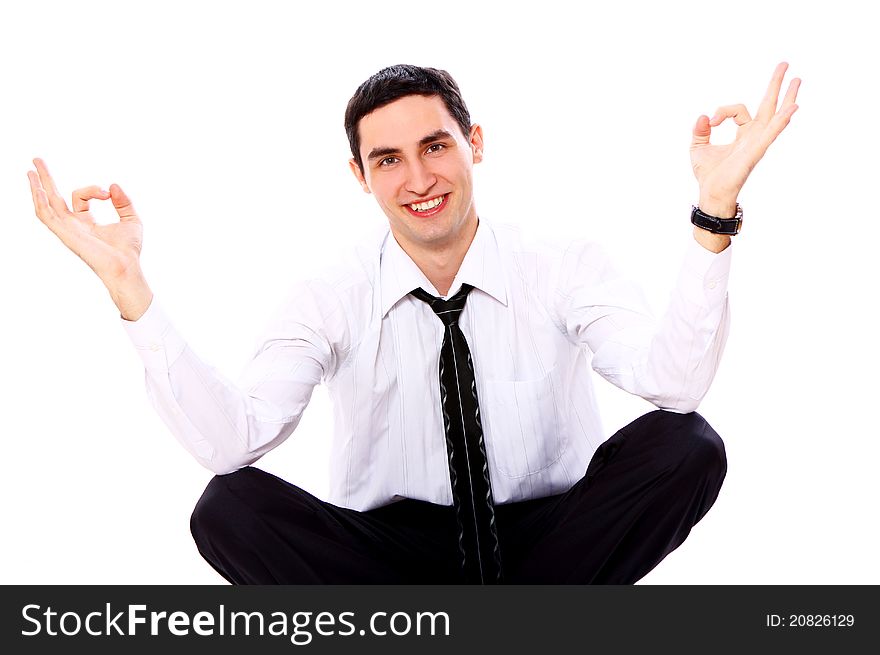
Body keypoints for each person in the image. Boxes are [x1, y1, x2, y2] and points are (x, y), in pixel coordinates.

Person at [27, 62, 800, 584]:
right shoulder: (329, 293)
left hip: (553, 543)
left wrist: (715, 211)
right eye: (389, 159)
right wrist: (129, 284)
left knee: (687, 443)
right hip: (390, 561)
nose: (419, 177)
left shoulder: (561, 263)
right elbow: (234, 440)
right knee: (227, 506)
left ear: (476, 145)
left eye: (436, 145)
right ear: (361, 177)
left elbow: (674, 381)